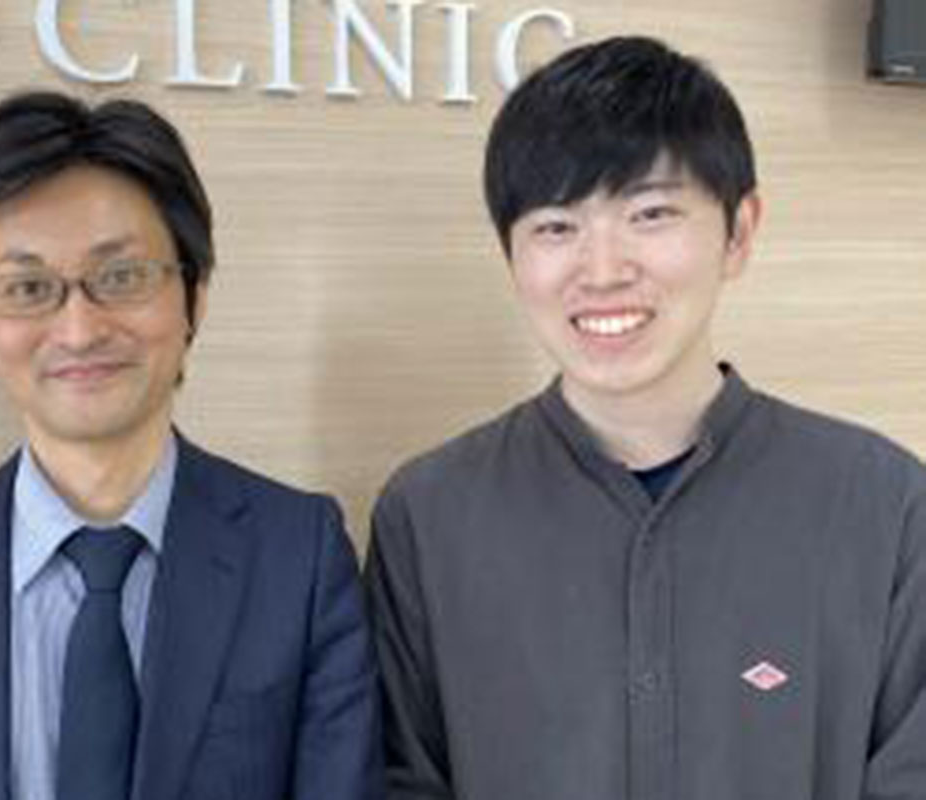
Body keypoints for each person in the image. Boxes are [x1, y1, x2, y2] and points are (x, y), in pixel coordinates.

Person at [0, 91, 380, 800]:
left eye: (122, 277)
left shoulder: (299, 558)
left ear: (195, 294)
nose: (80, 330)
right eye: (28, 287)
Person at [365, 35, 926, 800]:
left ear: (739, 232)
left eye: (651, 213)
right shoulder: (428, 515)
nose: (602, 271)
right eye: (556, 226)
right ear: (510, 256)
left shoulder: (886, 506)